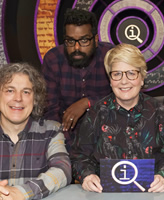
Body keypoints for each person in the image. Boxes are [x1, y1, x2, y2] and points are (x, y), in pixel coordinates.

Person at [70, 43, 164, 193]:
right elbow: (79, 156)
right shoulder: (96, 113)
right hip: (105, 194)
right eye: (117, 74)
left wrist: (162, 176)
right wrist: (87, 175)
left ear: (142, 77)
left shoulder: (159, 112)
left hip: (150, 193)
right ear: (110, 80)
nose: (124, 81)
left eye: (131, 73)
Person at [0, 63, 71, 200]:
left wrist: (20, 193)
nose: (18, 98)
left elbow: (63, 170)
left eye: (26, 92)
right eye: (10, 90)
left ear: (35, 99)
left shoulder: (51, 131)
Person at [42, 9, 114, 151]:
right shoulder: (53, 59)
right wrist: (69, 149)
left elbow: (126, 98)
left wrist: (88, 102)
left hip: (109, 138)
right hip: (66, 141)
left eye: (84, 40)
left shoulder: (110, 56)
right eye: (70, 41)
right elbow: (50, 112)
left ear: (96, 40)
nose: (76, 47)